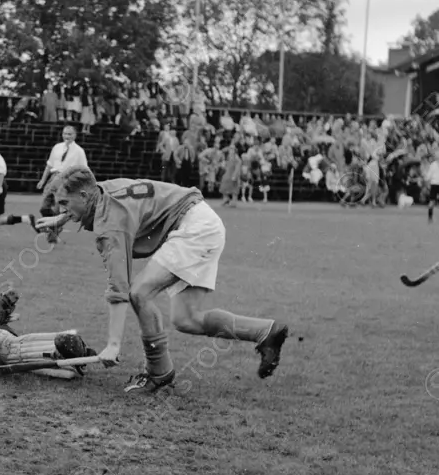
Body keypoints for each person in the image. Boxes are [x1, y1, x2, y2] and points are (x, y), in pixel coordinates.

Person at [44, 166, 289, 395]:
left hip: (193, 228)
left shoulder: (111, 226)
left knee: (140, 293)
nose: (62, 209)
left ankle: (158, 372)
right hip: (203, 221)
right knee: (186, 320)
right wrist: (64, 218)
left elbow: (119, 288)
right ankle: (265, 332)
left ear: (85, 195)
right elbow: (91, 200)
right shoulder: (100, 190)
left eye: (65, 204)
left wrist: (114, 344)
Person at [3, 124, 88, 244]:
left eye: (70, 134)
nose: (67, 136)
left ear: (75, 135)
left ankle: (53, 233)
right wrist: (43, 180)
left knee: (59, 209)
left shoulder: (79, 151)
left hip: (67, 180)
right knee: (44, 207)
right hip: (53, 178)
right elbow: (49, 165)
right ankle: (55, 228)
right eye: (65, 133)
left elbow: (84, 169)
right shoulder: (57, 147)